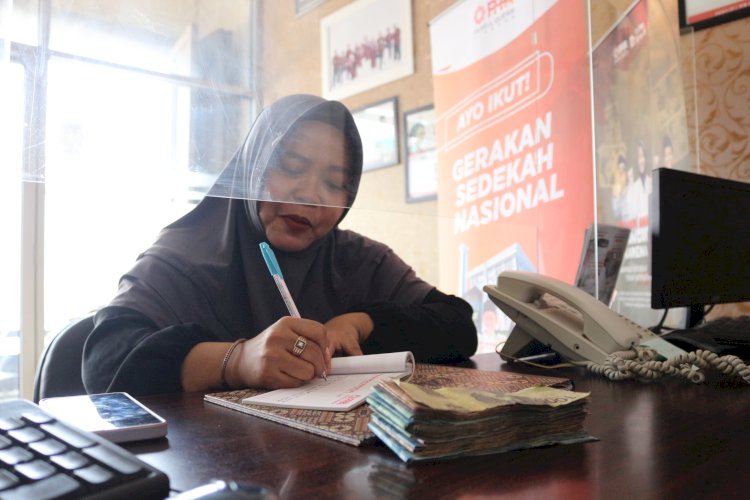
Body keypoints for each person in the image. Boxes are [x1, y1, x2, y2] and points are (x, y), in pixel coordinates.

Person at [82, 94, 477, 396]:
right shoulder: (187, 254)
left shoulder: (357, 259)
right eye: (290, 167)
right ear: (252, 167)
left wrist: (359, 322)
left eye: (335, 183)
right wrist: (236, 360)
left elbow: (457, 325)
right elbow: (105, 361)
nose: (311, 195)